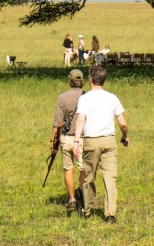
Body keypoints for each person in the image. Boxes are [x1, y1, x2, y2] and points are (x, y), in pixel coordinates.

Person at [74, 66, 129, 224]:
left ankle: (87, 209)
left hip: (91, 140)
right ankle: (110, 214)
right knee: (110, 178)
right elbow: (122, 123)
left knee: (89, 177)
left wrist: (77, 141)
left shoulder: (85, 98)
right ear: (104, 80)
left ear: (90, 80)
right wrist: (125, 136)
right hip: (109, 141)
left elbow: (80, 120)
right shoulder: (112, 97)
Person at [51, 69, 86, 211]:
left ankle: (71, 198)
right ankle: (82, 194)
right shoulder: (86, 96)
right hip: (82, 138)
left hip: (65, 138)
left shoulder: (62, 97)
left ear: (70, 81)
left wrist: (53, 142)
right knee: (83, 169)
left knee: (68, 169)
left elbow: (57, 123)